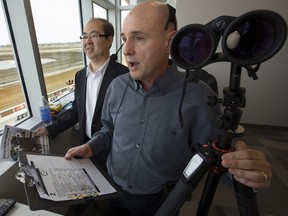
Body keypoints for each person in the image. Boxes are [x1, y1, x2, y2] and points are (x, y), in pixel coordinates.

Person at [64, 1, 272, 215]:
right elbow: (108, 130)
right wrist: (91, 147)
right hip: (113, 192)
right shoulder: (117, 87)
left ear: (169, 41)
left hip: (162, 202)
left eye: (138, 38)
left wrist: (247, 172)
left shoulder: (199, 97)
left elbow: (218, 161)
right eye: (125, 39)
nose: (126, 50)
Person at [35, 18, 129, 170]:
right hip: (86, 145)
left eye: (94, 35)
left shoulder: (124, 76)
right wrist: (50, 129)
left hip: (113, 150)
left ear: (109, 41)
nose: (88, 41)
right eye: (85, 36)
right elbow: (77, 110)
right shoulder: (80, 76)